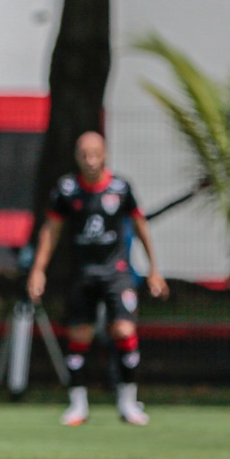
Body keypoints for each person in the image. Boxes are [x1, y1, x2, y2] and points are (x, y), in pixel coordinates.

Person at [27, 131, 168, 426]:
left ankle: (128, 403)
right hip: (82, 274)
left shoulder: (120, 187)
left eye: (95, 154)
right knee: (79, 336)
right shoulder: (67, 190)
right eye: (84, 155)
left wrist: (154, 268)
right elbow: (51, 230)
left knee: (124, 330)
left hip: (117, 273)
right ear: (77, 157)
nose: (90, 161)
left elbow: (140, 225)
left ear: (105, 155)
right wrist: (38, 269)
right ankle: (78, 405)